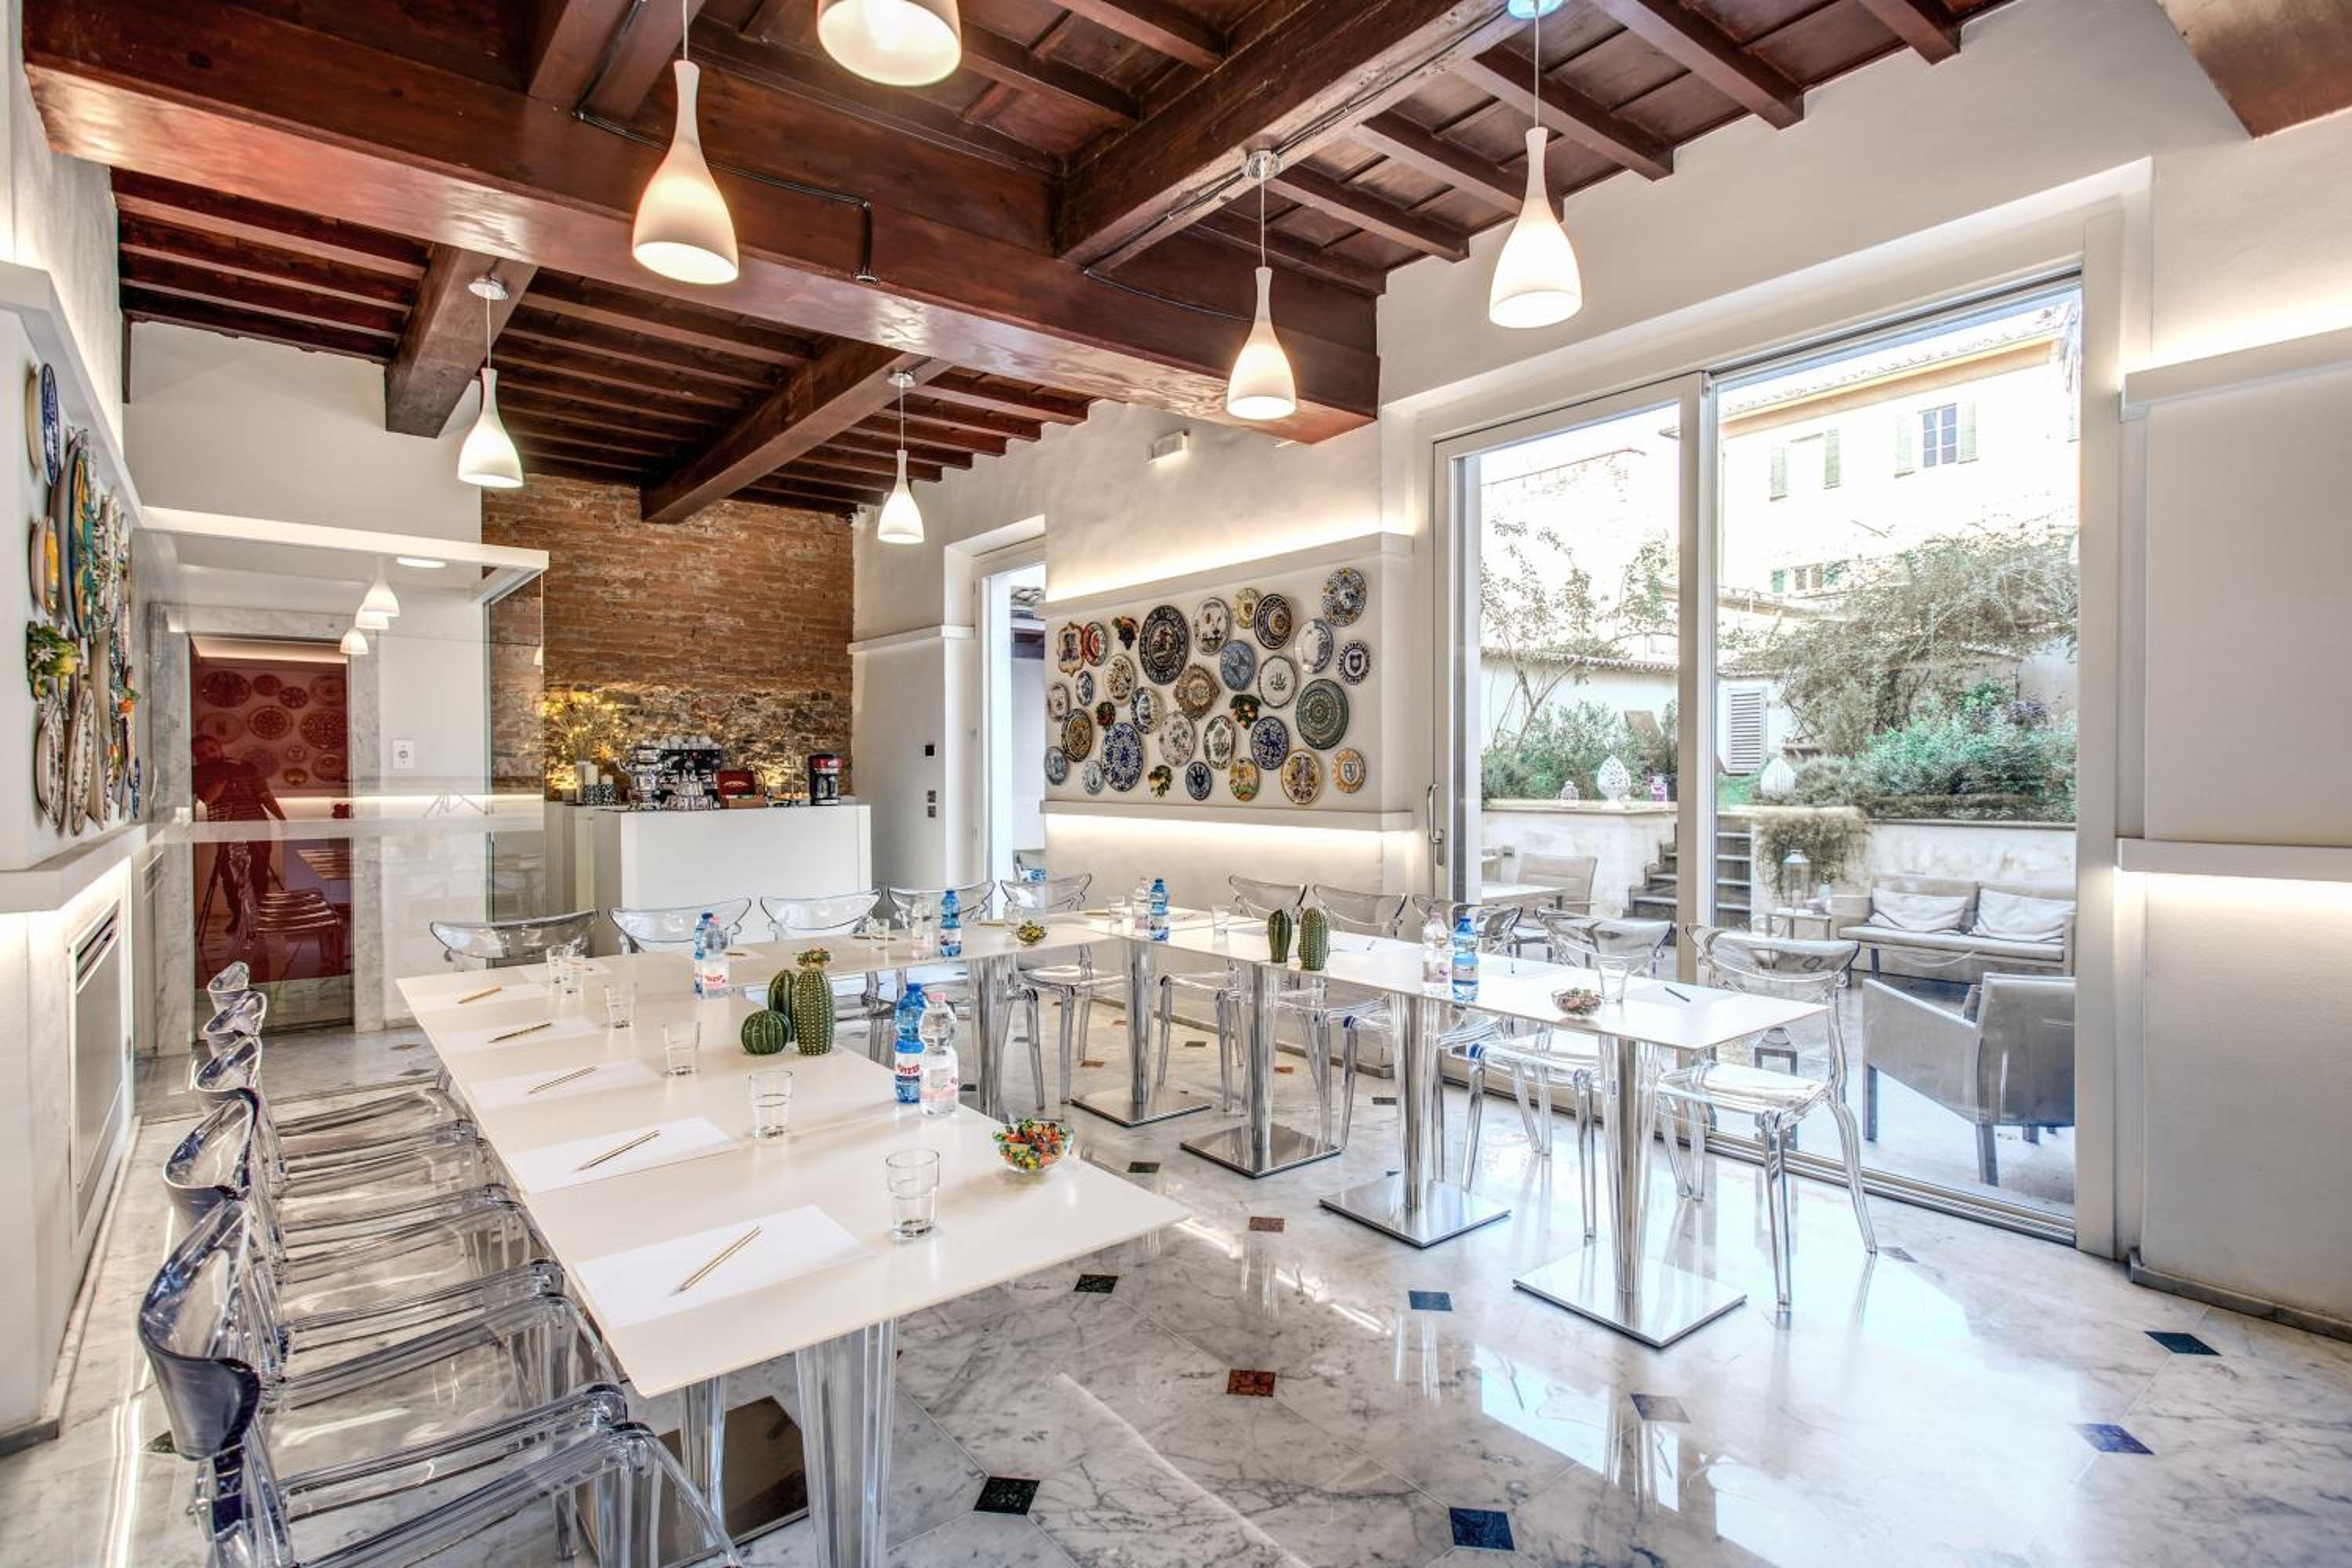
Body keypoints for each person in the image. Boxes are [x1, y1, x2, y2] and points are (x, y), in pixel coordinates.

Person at [193, 735, 285, 934]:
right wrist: (223, 777)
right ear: (196, 757)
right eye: (202, 754)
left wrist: (282, 819)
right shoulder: (197, 774)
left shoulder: (246, 766)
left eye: (211, 749)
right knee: (230, 875)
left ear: (220, 747)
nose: (209, 755)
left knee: (258, 872)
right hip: (225, 829)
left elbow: (264, 795)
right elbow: (209, 798)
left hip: (257, 826)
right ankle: (238, 916)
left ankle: (258, 916)